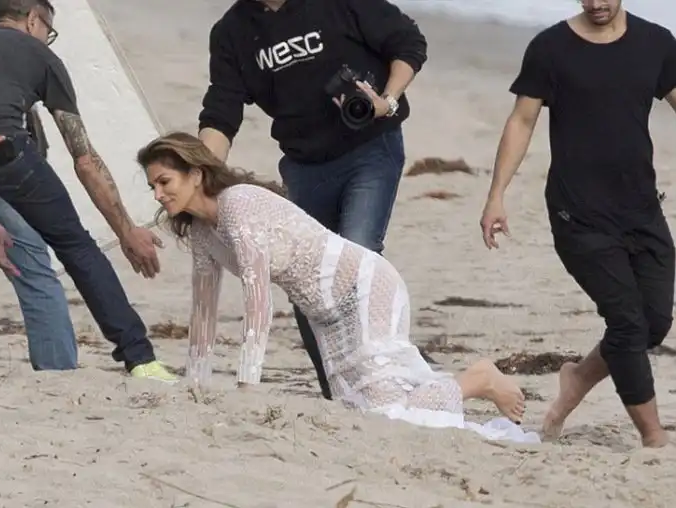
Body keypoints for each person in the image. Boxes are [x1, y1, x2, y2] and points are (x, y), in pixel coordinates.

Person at [137, 131, 530, 441]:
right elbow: (203, 312)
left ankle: (477, 379)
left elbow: (258, 302)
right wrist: (195, 385)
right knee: (363, 416)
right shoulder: (202, 232)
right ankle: (467, 383)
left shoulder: (238, 204)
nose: (158, 194)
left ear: (196, 174)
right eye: (152, 185)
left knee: (388, 414)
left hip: (364, 288)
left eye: (165, 181)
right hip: (324, 315)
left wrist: (246, 387)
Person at [197, 0, 427, 400]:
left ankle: (381, 380)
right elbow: (221, 113)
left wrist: (386, 100)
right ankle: (336, 390)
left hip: (371, 147)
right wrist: (197, 176)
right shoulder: (232, 31)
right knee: (303, 277)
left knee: (358, 254)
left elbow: (408, 43)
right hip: (304, 165)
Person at [479, 0, 676, 448]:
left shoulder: (656, 43)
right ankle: (653, 437)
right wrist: (496, 196)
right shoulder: (550, 48)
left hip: (642, 208)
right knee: (627, 324)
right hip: (578, 213)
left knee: (653, 322)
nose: (596, 3)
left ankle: (578, 378)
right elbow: (522, 121)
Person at [0, 0, 175, 381]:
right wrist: (125, 230)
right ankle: (139, 357)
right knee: (76, 245)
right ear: (33, 19)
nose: (46, 39)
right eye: (47, 30)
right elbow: (84, 160)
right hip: (6, 155)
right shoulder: (41, 56)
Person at [0, 106, 77, 370]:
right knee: (36, 278)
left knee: (35, 277)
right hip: (12, 168)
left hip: (8, 169)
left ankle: (57, 372)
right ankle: (57, 371)